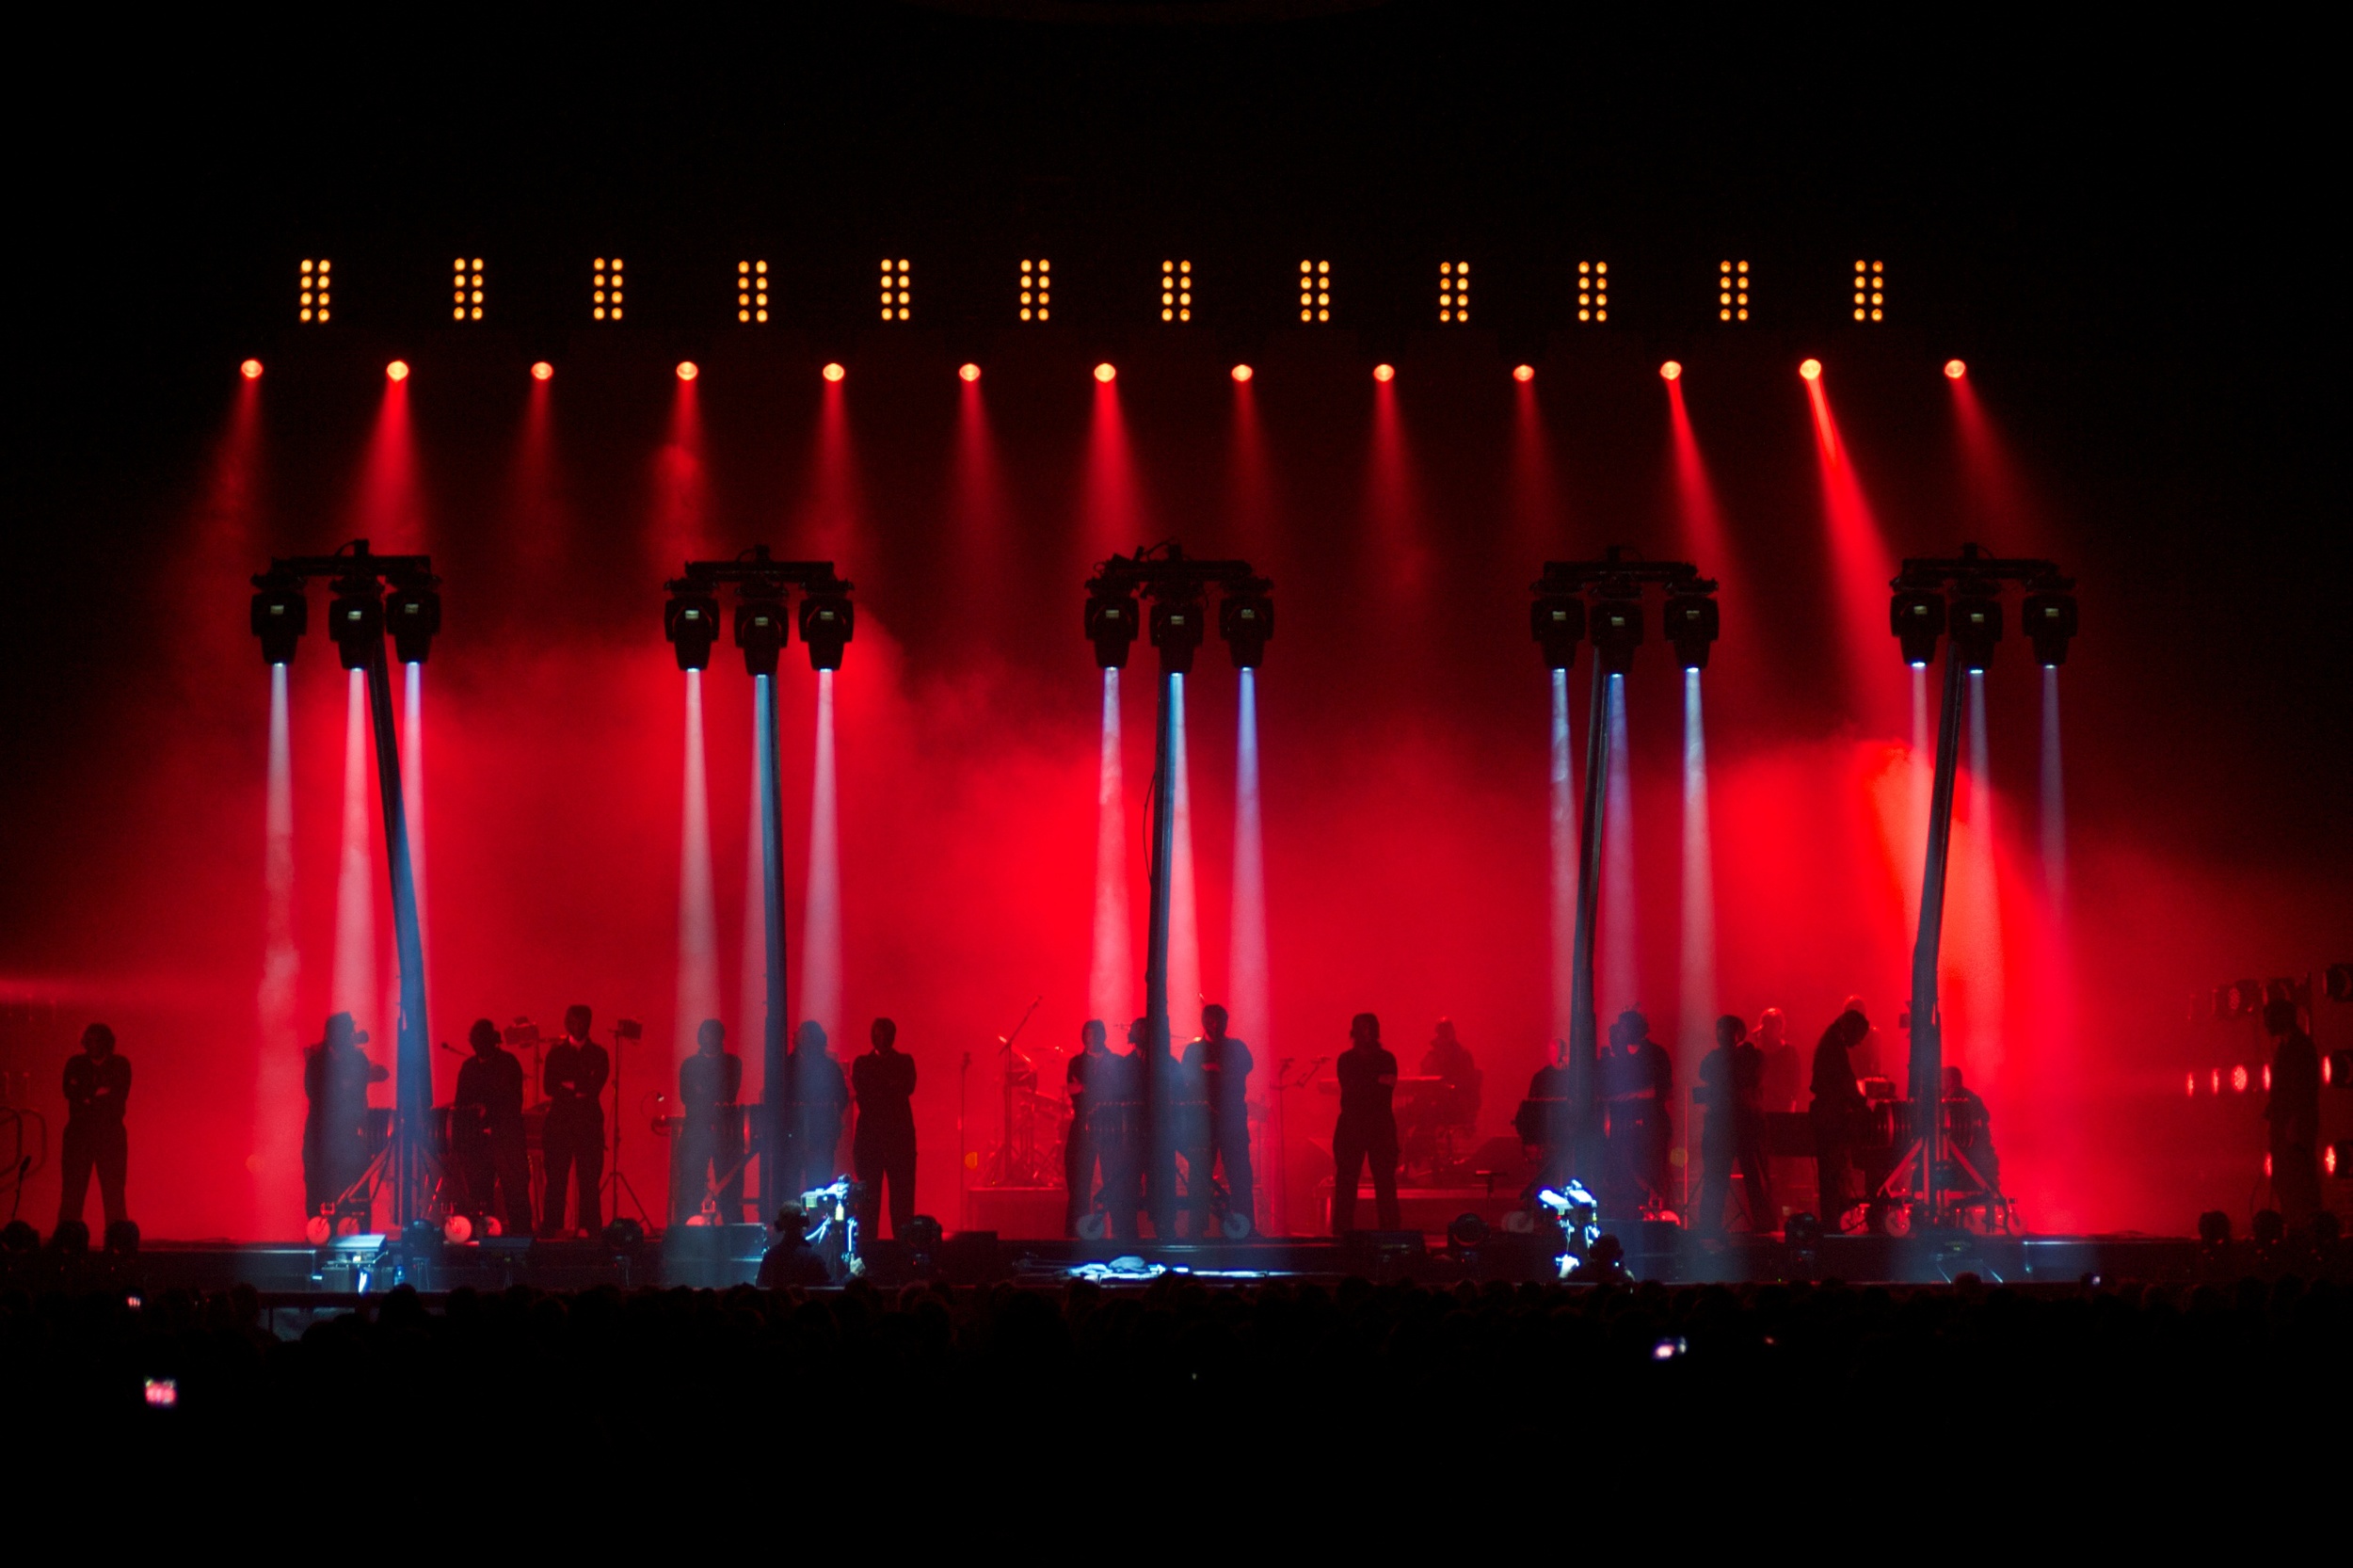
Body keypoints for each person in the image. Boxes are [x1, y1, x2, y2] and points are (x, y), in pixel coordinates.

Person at [301, 1012, 386, 1223]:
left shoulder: (357, 1058)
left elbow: (381, 1074)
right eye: (347, 1031)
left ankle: (363, 1234)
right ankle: (319, 1233)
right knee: (317, 1186)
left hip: (351, 1134)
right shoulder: (317, 1061)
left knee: (358, 1185)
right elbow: (314, 1093)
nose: (351, 1036)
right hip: (319, 1136)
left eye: (351, 1031)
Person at [452, 1018, 533, 1238]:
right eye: (473, 1041)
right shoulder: (469, 1068)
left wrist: (489, 1109)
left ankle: (521, 1238)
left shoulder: (507, 1063)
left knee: (515, 1191)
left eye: (480, 1040)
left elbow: (514, 1100)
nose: (476, 1045)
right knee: (480, 1193)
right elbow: (460, 1102)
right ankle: (484, 1237)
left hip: (506, 1137)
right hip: (478, 1141)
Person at [1180, 1003, 1256, 1238]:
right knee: (1200, 1174)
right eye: (1210, 1020)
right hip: (1203, 1120)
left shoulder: (1236, 1047)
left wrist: (1215, 1070)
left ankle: (1245, 1226)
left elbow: (1247, 1067)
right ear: (1204, 1022)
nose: (1215, 1025)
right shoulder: (1193, 1051)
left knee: (1240, 1173)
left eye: (1219, 1020)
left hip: (1232, 1119)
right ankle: (1196, 1228)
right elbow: (1186, 1080)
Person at [1695, 1015, 1771, 1233]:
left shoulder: (1751, 1056)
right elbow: (1705, 1071)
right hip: (1723, 1125)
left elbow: (1749, 1076)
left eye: (1726, 1030)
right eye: (1719, 1030)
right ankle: (1710, 1225)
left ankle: (1763, 1224)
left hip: (1745, 1124)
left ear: (1739, 1033)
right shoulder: (1717, 1057)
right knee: (1716, 1178)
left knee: (1754, 1177)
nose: (1721, 1035)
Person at [540, 1003, 609, 1236]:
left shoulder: (599, 1054)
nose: (578, 1026)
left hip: (587, 1125)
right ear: (567, 1023)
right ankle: (552, 1230)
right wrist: (580, 1086)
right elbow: (549, 1086)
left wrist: (569, 1085)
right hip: (560, 1125)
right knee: (556, 1180)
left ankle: (590, 1232)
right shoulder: (556, 1053)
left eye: (582, 1022)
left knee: (589, 1181)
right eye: (574, 1021)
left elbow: (593, 1087)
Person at [56, 1023, 131, 1237]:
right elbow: (69, 1091)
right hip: (79, 1136)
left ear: (106, 1042)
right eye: (88, 1041)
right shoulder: (75, 1063)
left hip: (109, 1136)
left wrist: (85, 1095)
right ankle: (67, 1239)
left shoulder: (120, 1064)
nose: (91, 1045)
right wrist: (96, 1094)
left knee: (113, 1192)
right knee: (72, 1192)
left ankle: (117, 1239)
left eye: (96, 1040)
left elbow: (118, 1094)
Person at [1331, 1012, 1401, 1233]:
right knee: (1346, 1180)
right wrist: (1373, 1082)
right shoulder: (1346, 1059)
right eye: (1362, 1028)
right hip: (1356, 1125)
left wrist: (1362, 1084)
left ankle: (1390, 1231)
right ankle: (1342, 1232)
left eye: (1369, 1027)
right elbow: (1354, 1088)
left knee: (1385, 1182)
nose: (1366, 1033)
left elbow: (1380, 1088)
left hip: (1377, 1125)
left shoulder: (1387, 1058)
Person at [851, 1016, 918, 1239]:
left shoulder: (904, 1061)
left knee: (902, 1201)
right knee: (870, 1201)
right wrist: (890, 1086)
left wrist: (880, 1088)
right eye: (878, 1034)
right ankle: (869, 1249)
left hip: (898, 1141)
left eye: (885, 1034)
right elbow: (866, 1091)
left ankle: (903, 1248)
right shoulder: (862, 1063)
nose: (882, 1039)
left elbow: (907, 1086)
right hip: (873, 1141)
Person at [676, 1017, 744, 1225]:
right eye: (705, 1035)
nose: (709, 1040)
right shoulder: (689, 1064)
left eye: (713, 1035)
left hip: (725, 1130)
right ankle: (688, 1226)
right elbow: (686, 1095)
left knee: (729, 1182)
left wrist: (703, 1092)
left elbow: (729, 1093)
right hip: (696, 1130)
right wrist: (712, 1095)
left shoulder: (732, 1062)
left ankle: (733, 1230)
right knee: (691, 1181)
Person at [1602, 1009, 1672, 1210]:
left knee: (1653, 1170)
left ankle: (1657, 1210)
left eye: (1624, 1026)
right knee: (1625, 1167)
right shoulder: (1619, 1058)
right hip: (1622, 1124)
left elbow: (1663, 1090)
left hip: (1652, 1123)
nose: (1620, 1031)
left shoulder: (1656, 1054)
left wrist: (1629, 1096)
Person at [2263, 999, 2322, 1229]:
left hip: (2295, 1127)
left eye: (2270, 1019)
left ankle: (2305, 1226)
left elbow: (2304, 1090)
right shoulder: (2285, 1047)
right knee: (2284, 1179)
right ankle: (2293, 1223)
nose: (2266, 1025)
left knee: (2299, 1178)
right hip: (2285, 1124)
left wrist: (2294, 1122)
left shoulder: (2301, 1047)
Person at [1809, 1008, 1870, 1229]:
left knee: (1831, 1175)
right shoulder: (1834, 1048)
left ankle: (1832, 1222)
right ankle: (1832, 1225)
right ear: (1850, 1029)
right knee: (1833, 1174)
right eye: (1859, 1037)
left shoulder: (1830, 1042)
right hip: (1830, 1119)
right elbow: (1846, 1083)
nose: (1858, 1043)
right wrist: (1863, 1105)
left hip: (1826, 1115)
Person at [781, 1020, 851, 1197]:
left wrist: (830, 1121)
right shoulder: (785, 1067)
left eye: (810, 1037)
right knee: (790, 1185)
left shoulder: (829, 1067)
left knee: (818, 1186)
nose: (806, 1041)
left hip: (821, 1136)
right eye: (803, 1037)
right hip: (793, 1135)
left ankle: (816, 1221)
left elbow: (842, 1097)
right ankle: (793, 1221)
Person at [1127, 1016, 1179, 1239]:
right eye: (1139, 1030)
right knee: (1130, 1179)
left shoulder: (1169, 1063)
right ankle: (1128, 1232)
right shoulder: (1124, 1064)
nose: (1143, 1034)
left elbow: (1180, 1091)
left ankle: (1165, 1228)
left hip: (1163, 1133)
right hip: (1133, 1132)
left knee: (1164, 1178)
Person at [1064, 1018, 1112, 1234]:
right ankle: (1076, 1230)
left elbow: (1113, 1093)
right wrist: (1094, 1090)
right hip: (1083, 1127)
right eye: (1087, 1034)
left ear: (1103, 1036)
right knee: (1078, 1180)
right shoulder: (1075, 1063)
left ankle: (1119, 1230)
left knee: (1113, 1177)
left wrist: (1086, 1088)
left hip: (1111, 1128)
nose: (1089, 1039)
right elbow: (1073, 1092)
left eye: (1093, 1034)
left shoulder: (1116, 1062)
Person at [1518, 1038, 1577, 1195]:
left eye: (1559, 1050)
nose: (1556, 1054)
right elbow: (1532, 1107)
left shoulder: (1572, 1077)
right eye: (1553, 1051)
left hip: (1567, 1130)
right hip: (1547, 1133)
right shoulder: (1540, 1077)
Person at [1939, 1064, 2001, 1205]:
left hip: (1969, 1164)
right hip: (1981, 1164)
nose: (1939, 1086)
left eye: (1941, 1081)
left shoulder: (1954, 1103)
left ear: (1950, 1081)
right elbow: (1985, 1117)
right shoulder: (1973, 1098)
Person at [1418, 1017, 1482, 1132]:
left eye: (1443, 1036)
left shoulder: (1462, 1056)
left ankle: (1425, 1146)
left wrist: (1444, 1087)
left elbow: (1465, 1085)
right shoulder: (1435, 1055)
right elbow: (1424, 1072)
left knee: (1424, 1115)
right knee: (1417, 1110)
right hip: (1439, 1101)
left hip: (1457, 1105)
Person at [756, 1206, 833, 1288]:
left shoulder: (770, 1257)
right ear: (804, 1222)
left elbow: (760, 1286)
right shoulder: (813, 1258)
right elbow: (828, 1288)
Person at [1755, 1008, 1801, 1112]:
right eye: (1766, 1024)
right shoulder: (1757, 1052)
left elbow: (1795, 1083)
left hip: (1782, 1106)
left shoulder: (1790, 1052)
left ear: (1780, 1026)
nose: (1768, 1029)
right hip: (1762, 1106)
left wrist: (1792, 1106)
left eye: (1772, 1024)